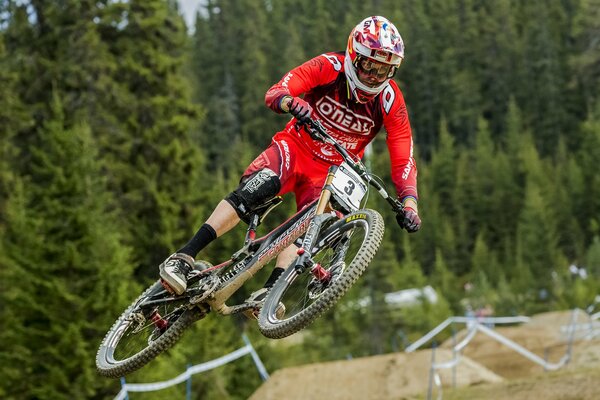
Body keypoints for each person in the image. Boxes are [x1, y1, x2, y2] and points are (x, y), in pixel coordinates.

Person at [159, 16, 421, 309]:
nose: (374, 76)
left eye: (385, 69)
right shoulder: (328, 67)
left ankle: (269, 293)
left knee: (311, 226)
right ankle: (184, 256)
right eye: (370, 65)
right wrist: (289, 102)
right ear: (353, 55)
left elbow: (403, 154)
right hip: (294, 148)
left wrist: (409, 203)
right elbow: (278, 90)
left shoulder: (390, 99)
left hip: (332, 172)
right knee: (253, 194)